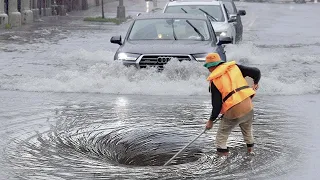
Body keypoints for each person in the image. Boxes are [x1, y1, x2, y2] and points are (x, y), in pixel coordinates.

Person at [204, 53, 261, 156]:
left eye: (208, 67)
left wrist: (210, 121)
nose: (209, 70)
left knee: (221, 137)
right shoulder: (235, 67)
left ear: (212, 66)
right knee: (248, 132)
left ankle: (223, 160)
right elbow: (256, 71)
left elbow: (216, 105)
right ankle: (251, 153)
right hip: (248, 105)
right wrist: (256, 82)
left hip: (234, 110)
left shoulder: (215, 80)